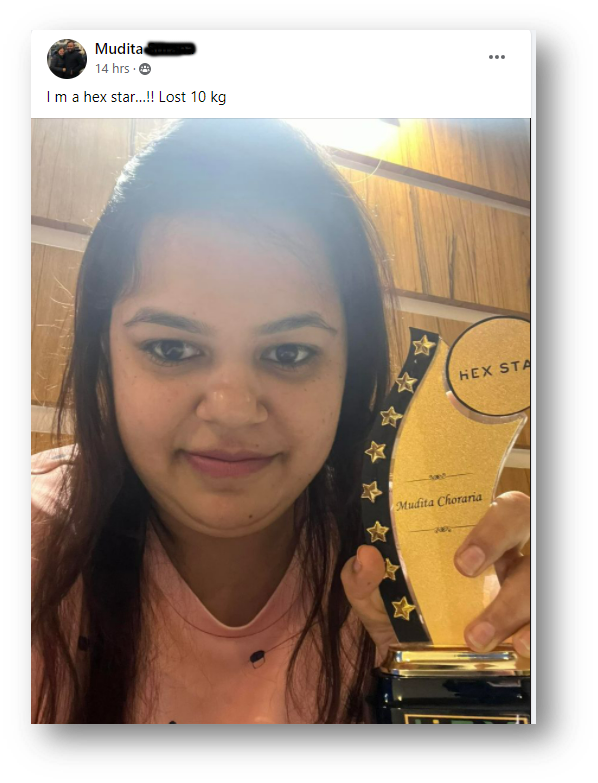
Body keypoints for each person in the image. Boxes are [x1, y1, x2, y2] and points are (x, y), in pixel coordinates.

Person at [31, 119, 531, 724]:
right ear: (104, 354)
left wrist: (472, 666)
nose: (232, 408)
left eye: (290, 353)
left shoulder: (399, 559)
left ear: (350, 369)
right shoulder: (35, 549)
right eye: (170, 348)